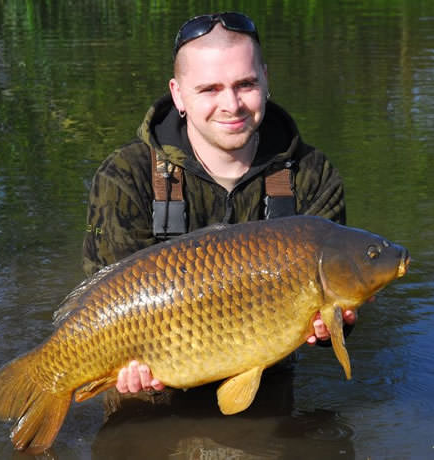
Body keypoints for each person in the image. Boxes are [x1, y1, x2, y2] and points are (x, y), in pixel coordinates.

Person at [82, 12, 356, 409]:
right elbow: (104, 295)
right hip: (153, 391)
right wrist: (126, 369)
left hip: (266, 386)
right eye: (209, 89)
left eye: (245, 84)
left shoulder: (312, 174)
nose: (231, 104)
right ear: (178, 95)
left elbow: (335, 302)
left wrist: (335, 328)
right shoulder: (126, 177)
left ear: (265, 78)